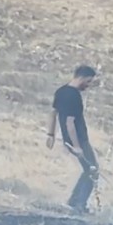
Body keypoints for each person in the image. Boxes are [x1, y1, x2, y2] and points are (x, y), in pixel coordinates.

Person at [47, 65, 100, 214]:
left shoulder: (61, 91)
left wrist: (50, 135)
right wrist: (77, 147)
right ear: (81, 77)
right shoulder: (74, 96)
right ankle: (78, 205)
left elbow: (53, 113)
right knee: (92, 170)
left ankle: (74, 202)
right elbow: (70, 123)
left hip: (69, 140)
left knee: (88, 170)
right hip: (78, 140)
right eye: (88, 82)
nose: (88, 86)